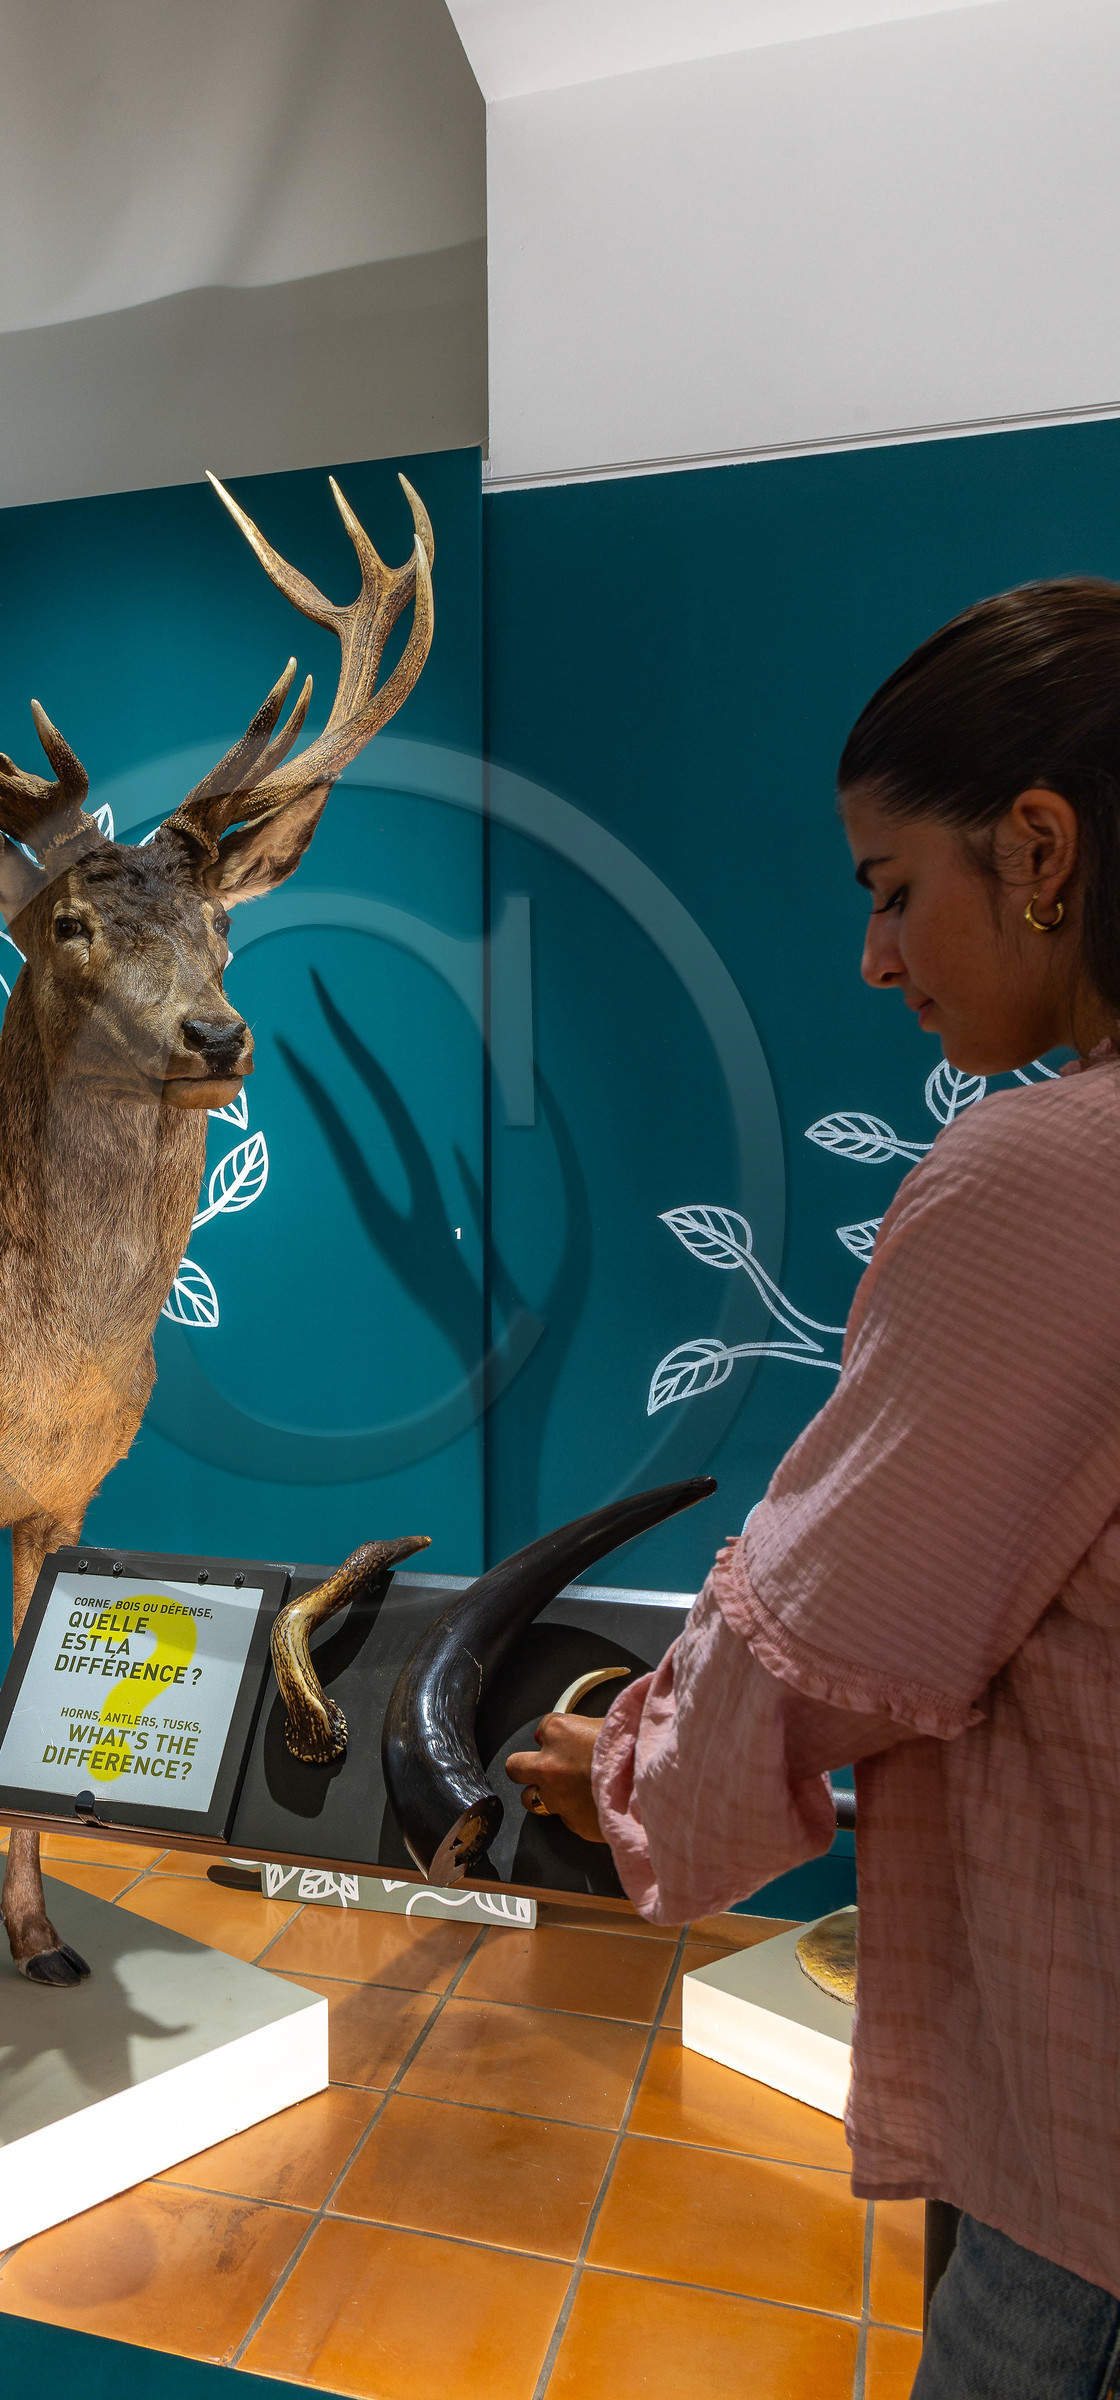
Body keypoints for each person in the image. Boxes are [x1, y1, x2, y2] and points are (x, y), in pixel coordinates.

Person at [507, 578, 1120, 2400]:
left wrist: (629, 1772)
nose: (874, 955)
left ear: (1038, 846)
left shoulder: (1041, 1175)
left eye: (888, 889)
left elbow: (842, 1631)